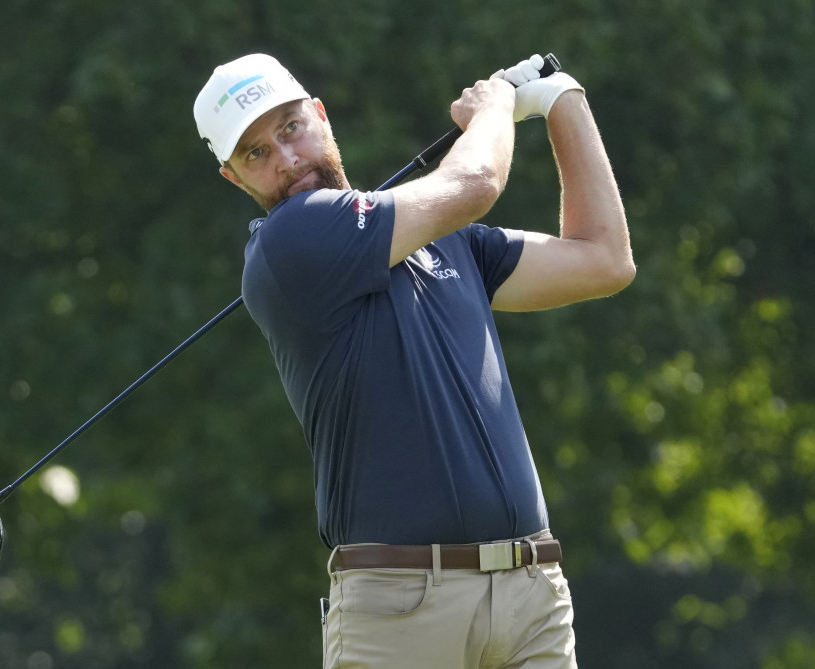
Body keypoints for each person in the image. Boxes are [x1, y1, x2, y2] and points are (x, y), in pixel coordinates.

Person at [194, 52, 633, 668]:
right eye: (256, 153)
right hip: (400, 611)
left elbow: (605, 260)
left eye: (291, 127)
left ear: (320, 116)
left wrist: (564, 99)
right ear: (234, 178)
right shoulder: (290, 242)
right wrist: (494, 107)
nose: (287, 159)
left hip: (531, 595)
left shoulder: (446, 241)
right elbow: (475, 184)